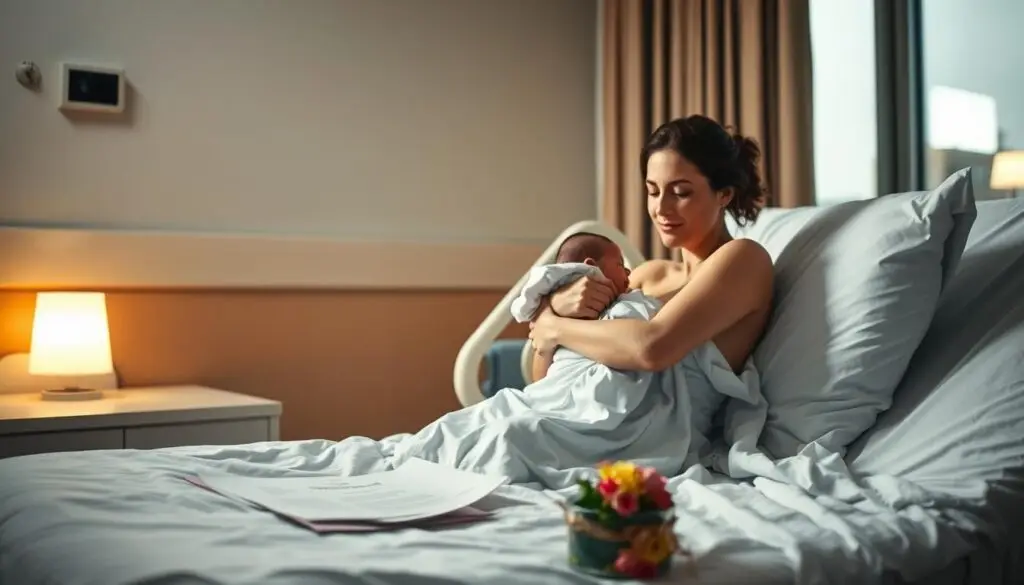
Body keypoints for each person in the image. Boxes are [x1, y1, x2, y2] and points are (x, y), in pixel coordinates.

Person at [528, 114, 774, 377]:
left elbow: (651, 348)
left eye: (680, 193)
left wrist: (552, 325)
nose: (661, 209)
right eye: (653, 191)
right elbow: (540, 380)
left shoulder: (745, 260)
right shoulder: (646, 276)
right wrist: (560, 306)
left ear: (724, 194)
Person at [528, 232, 635, 381]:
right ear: (592, 267)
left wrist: (549, 321)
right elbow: (540, 383)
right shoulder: (558, 310)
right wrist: (552, 306)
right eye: (620, 265)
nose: (629, 272)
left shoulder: (631, 299)